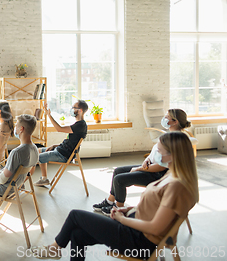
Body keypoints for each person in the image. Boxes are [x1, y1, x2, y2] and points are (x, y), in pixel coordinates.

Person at [32, 132, 199, 260]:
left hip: (139, 240)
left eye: (159, 151)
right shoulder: (172, 175)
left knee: (75, 215)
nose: (156, 154)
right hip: (134, 228)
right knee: (77, 235)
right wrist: (129, 209)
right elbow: (158, 209)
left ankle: (54, 248)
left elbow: (156, 228)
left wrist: (122, 219)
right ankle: (55, 248)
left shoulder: (176, 185)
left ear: (173, 155)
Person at [93, 108, 197, 215]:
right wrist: (147, 159)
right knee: (118, 171)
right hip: (149, 166)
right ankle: (110, 202)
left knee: (119, 180)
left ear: (175, 122)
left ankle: (118, 209)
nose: (164, 118)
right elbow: (155, 153)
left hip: (158, 175)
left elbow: (162, 166)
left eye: (167, 117)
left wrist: (139, 168)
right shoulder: (167, 135)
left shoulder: (176, 140)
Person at [33, 100, 88, 186]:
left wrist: (49, 115)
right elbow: (71, 142)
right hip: (61, 150)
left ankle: (24, 180)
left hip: (63, 155)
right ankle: (44, 179)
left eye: (74, 108)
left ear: (80, 110)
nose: (72, 109)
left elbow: (59, 129)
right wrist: (55, 146)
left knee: (35, 157)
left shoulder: (80, 126)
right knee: (39, 150)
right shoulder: (79, 124)